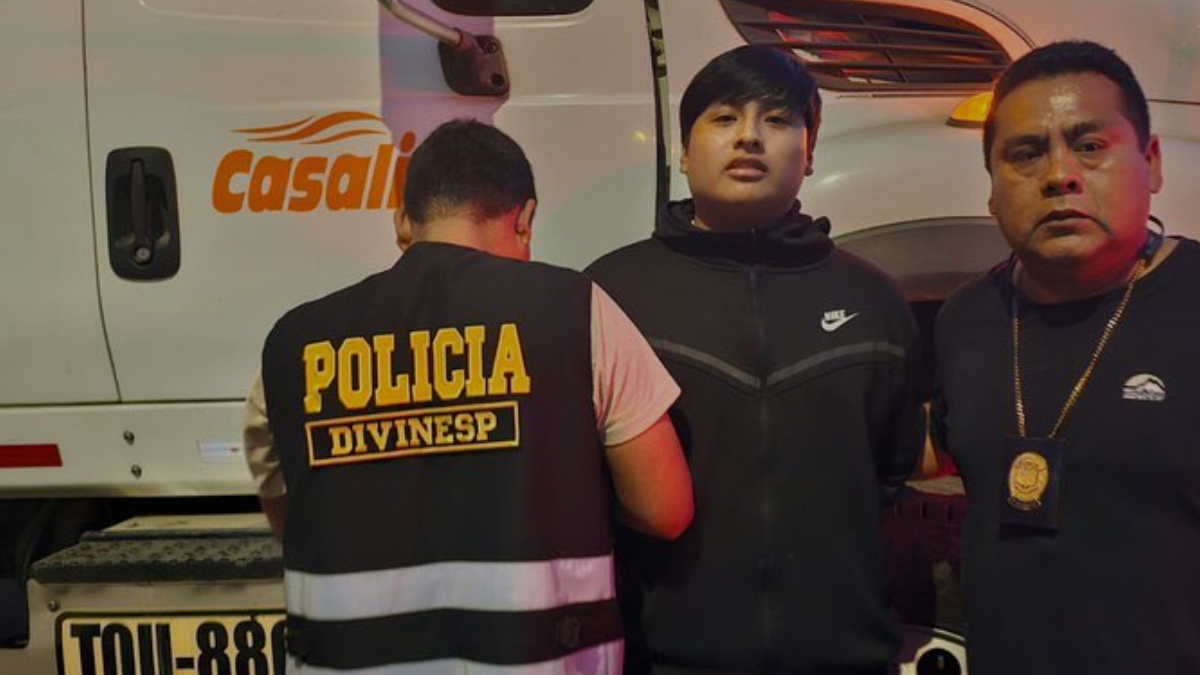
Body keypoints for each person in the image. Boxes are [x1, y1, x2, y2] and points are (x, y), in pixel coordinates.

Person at [244, 119, 694, 674]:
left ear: (402, 221)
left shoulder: (292, 342)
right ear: (525, 219)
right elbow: (665, 507)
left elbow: (293, 517)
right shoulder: (575, 308)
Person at [587, 45, 924, 674]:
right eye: (723, 118)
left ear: (810, 151)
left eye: (776, 119)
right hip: (663, 662)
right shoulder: (611, 294)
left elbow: (890, 472)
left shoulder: (872, 298)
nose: (748, 136)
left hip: (846, 660)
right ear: (684, 151)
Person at [931, 40, 1200, 674]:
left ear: (1152, 164)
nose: (1059, 175)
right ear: (992, 189)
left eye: (1090, 145)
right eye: (1026, 153)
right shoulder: (965, 318)